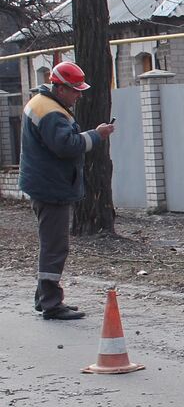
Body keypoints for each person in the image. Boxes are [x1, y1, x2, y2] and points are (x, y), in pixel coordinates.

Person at [19, 61, 116, 320]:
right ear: (60, 88)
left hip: (44, 184)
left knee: (50, 244)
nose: (79, 95)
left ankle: (44, 298)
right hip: (51, 188)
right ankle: (51, 303)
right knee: (55, 246)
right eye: (75, 90)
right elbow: (67, 146)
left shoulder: (41, 104)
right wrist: (96, 135)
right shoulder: (51, 112)